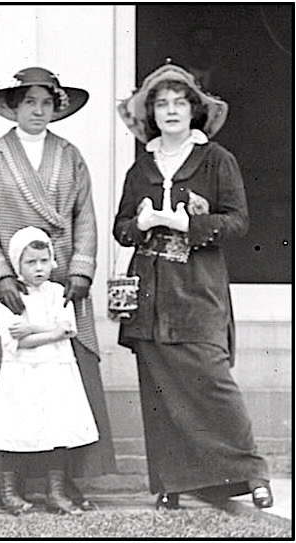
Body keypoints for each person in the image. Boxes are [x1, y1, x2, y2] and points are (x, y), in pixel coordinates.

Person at [113, 61, 272, 510]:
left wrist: (190, 223)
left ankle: (250, 473)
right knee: (160, 388)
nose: (170, 111)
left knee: (211, 380)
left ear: (194, 110)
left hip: (197, 289)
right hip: (150, 290)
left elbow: (238, 222)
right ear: (150, 114)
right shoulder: (141, 166)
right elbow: (121, 226)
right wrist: (140, 224)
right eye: (160, 104)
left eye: (179, 103)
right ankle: (173, 482)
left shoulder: (217, 160)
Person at [0, 66, 116, 510]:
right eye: (29, 102)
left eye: (46, 103)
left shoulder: (70, 155)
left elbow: (85, 218)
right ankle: (12, 483)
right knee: (17, 380)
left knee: (69, 378)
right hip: (16, 285)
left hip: (61, 282)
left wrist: (79, 273)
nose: (38, 111)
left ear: (57, 107)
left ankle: (67, 480)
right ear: (13, 107)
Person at [0, 227, 99, 515]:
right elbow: (16, 342)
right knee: (15, 430)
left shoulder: (58, 292)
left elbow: (68, 328)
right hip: (22, 374)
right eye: (30, 262)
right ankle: (9, 493)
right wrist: (52, 331)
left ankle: (55, 493)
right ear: (17, 265)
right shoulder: (6, 298)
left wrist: (33, 327)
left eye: (44, 261)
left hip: (56, 372)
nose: (38, 268)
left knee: (58, 431)